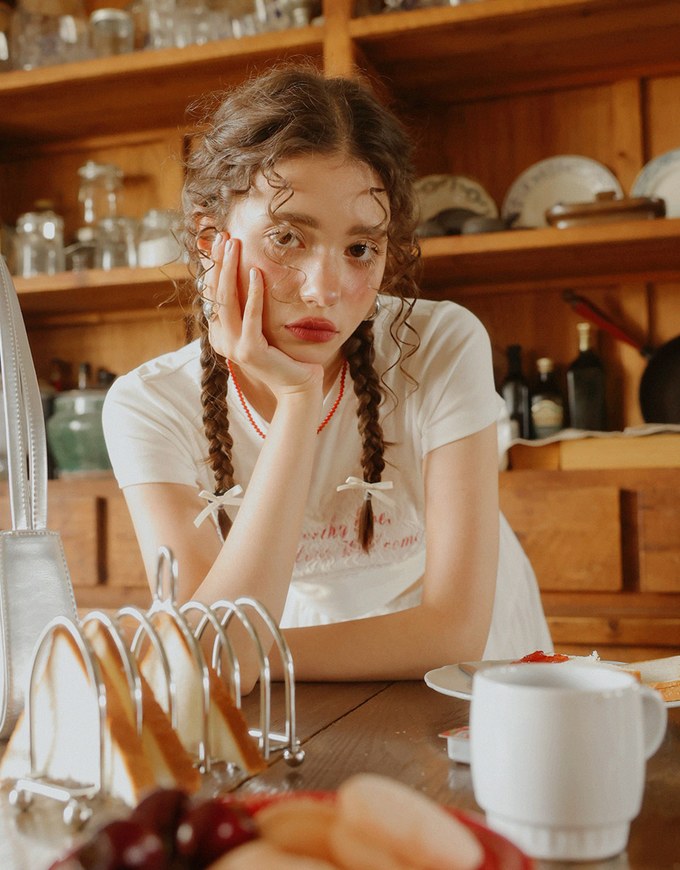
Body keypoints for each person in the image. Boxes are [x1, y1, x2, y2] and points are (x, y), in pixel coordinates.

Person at [103, 63, 551, 684]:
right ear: (211, 240)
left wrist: (245, 655)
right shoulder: (147, 405)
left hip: (470, 674)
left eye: (360, 248)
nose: (325, 289)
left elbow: (452, 627)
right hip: (313, 672)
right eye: (288, 238)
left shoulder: (442, 344)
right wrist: (295, 400)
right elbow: (214, 648)